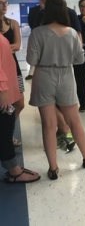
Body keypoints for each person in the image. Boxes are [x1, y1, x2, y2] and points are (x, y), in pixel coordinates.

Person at [27, 0, 85, 180]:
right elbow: (80, 59)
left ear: (46, 11)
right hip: (66, 76)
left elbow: (31, 60)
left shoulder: (38, 32)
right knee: (74, 121)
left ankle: (53, 168)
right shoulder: (72, 33)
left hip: (43, 76)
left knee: (49, 125)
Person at [28, 0, 80, 151]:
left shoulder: (70, 13)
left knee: (63, 106)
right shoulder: (35, 12)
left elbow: (76, 36)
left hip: (64, 68)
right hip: (43, 67)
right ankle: (62, 132)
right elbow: (36, 37)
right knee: (48, 106)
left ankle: (64, 132)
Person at [0, 33, 40, 184]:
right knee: (4, 130)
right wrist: (2, 89)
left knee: (5, 128)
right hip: (3, 91)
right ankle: (14, 171)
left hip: (7, 88)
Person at [0, 0, 24, 147]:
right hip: (1, 71)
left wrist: (3, 48)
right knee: (4, 106)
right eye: (0, 3)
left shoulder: (13, 23)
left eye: (5, 2)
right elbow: (11, 47)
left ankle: (7, 131)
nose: (4, 5)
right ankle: (6, 137)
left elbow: (17, 45)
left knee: (19, 103)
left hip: (14, 68)